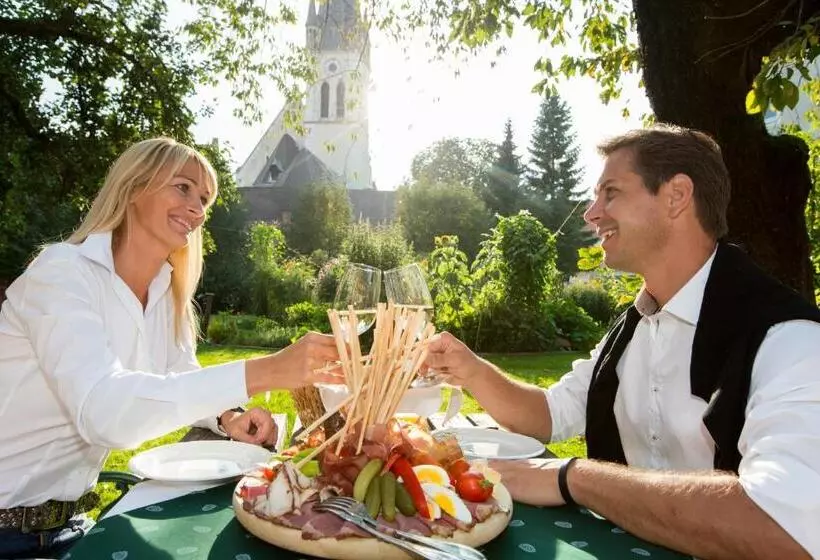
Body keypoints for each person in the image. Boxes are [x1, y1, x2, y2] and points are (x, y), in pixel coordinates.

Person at [424, 125, 820, 558]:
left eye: (610, 193)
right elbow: (551, 415)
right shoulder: (632, 329)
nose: (591, 213)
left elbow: (788, 528)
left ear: (676, 196)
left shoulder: (791, 340)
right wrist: (471, 370)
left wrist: (574, 478)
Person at [0, 137, 342, 559]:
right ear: (133, 187)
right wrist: (268, 370)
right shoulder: (62, 273)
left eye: (204, 199)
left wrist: (227, 415)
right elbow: (104, 412)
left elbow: (179, 374)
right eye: (183, 188)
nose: (197, 209)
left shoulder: (165, 292)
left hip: (69, 526)